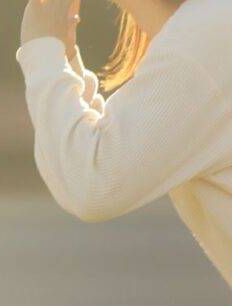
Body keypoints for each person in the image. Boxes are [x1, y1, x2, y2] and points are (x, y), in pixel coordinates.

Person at [17, 0, 232, 289]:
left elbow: (90, 183)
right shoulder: (208, 27)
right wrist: (62, 59)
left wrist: (42, 51)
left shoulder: (206, 38)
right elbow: (89, 155)